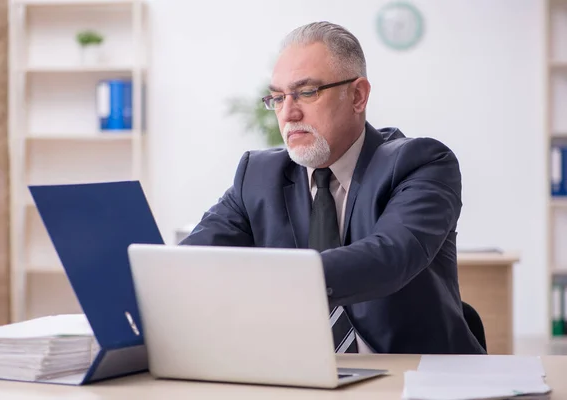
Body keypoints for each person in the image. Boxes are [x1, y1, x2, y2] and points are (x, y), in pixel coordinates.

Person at [180, 21, 485, 355]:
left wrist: (265, 282)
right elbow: (193, 261)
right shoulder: (257, 175)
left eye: (307, 93)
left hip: (415, 374)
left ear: (357, 95)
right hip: (302, 374)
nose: (289, 113)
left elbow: (390, 256)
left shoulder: (421, 162)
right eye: (278, 98)